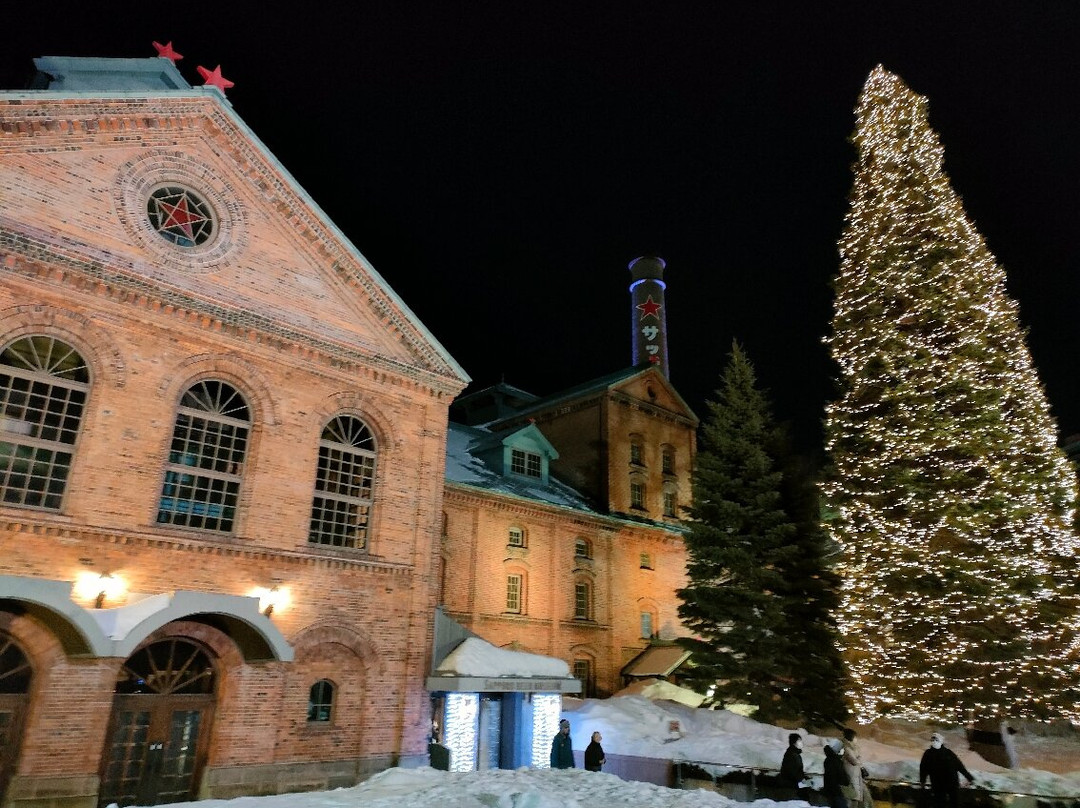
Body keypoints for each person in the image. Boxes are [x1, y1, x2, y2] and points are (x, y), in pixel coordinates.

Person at [920, 732, 974, 808]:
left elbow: (959, 765)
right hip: (939, 784)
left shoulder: (948, 753)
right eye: (933, 740)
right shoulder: (929, 754)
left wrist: (968, 777)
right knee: (941, 802)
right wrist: (922, 781)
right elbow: (923, 769)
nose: (934, 741)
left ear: (941, 741)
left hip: (951, 783)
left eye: (936, 740)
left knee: (953, 802)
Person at [842, 728, 873, 808]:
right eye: (855, 737)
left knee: (857, 799)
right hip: (851, 777)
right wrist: (858, 756)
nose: (856, 739)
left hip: (855, 777)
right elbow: (855, 761)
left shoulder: (852, 748)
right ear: (852, 737)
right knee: (853, 799)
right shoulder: (847, 748)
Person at [779, 732, 810, 800]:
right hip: (792, 786)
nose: (801, 743)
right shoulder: (791, 755)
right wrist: (803, 781)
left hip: (795, 784)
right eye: (799, 741)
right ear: (794, 743)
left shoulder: (795, 754)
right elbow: (792, 772)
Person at [823, 739, 851, 808]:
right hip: (837, 791)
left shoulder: (828, 760)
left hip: (829, 791)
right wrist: (847, 780)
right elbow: (843, 778)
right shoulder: (837, 762)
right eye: (841, 748)